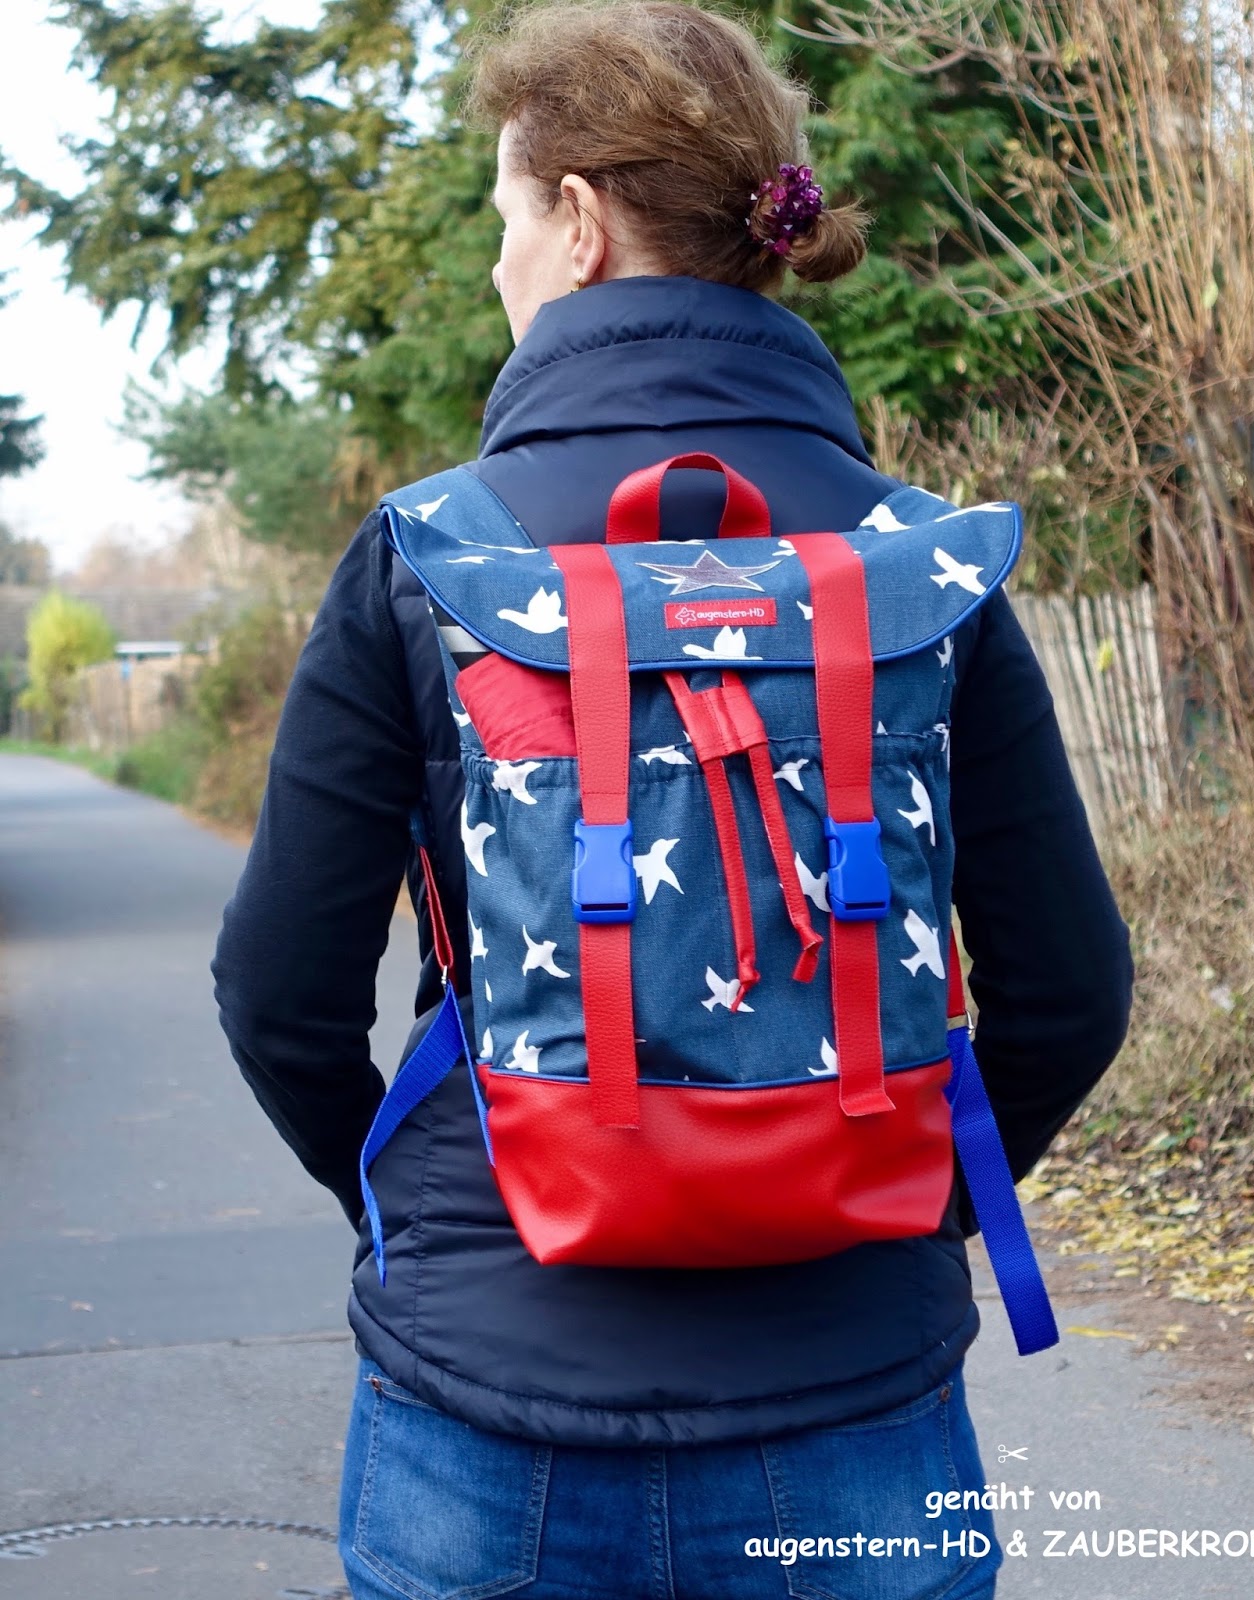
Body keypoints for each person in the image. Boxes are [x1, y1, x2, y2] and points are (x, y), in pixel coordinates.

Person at [212, 4, 1134, 1597]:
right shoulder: (918, 563)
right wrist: (903, 1208)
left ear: (576, 223)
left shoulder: (431, 555)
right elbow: (1071, 991)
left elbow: (279, 996)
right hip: (854, 1403)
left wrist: (426, 1213)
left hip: (489, 1409)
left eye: (506, 219)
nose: (499, 265)